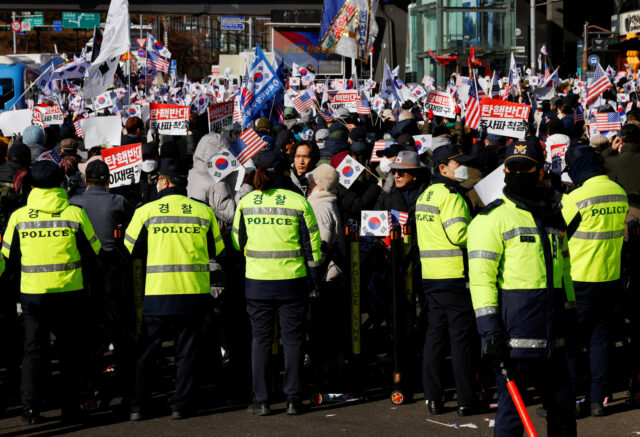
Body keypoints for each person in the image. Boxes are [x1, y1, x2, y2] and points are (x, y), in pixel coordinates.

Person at [467, 139, 577, 437]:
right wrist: (490, 332)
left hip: (555, 336)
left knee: (564, 414)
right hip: (514, 340)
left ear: (540, 171)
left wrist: (569, 311)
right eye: (512, 168)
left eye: (525, 167)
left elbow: (564, 269)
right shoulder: (490, 220)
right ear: (504, 171)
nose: (518, 173)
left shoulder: (553, 216)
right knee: (512, 417)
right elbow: (481, 280)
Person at [124, 158, 224, 420]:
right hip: (193, 294)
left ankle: (138, 406)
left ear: (164, 181)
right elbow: (219, 251)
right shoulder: (203, 211)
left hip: (157, 294)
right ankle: (181, 404)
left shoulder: (146, 211)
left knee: (147, 353)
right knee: (187, 353)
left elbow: (128, 249)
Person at [1, 160, 101, 424]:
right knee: (70, 351)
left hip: (33, 295)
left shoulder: (19, 217)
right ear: (60, 184)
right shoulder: (74, 213)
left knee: (34, 350)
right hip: (70, 293)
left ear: (31, 186)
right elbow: (96, 253)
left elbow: (7, 260)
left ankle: (31, 409)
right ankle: (70, 408)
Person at [232, 150, 322, 416]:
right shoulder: (299, 201)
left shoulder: (247, 202)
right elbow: (312, 247)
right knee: (293, 341)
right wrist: (315, 281)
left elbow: (238, 241)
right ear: (286, 171)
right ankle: (293, 399)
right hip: (292, 282)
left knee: (260, 341)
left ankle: (261, 400)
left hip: (258, 281)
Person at [561, 145, 628, 417]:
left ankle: (569, 401)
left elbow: (557, 231)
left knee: (571, 343)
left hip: (579, 279)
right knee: (601, 340)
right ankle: (596, 400)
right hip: (610, 276)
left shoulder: (575, 198)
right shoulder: (619, 192)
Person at [416, 144, 476, 416]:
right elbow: (459, 235)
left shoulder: (425, 193)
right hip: (455, 274)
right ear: (442, 168)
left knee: (435, 339)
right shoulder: (451, 195)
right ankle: (466, 400)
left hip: (431, 275)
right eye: (457, 163)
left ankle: (433, 398)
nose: (462, 167)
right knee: (460, 340)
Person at [603, 123, 640, 194]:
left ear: (620, 140)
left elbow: (595, 163)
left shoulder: (609, 162)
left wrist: (611, 149)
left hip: (621, 203)